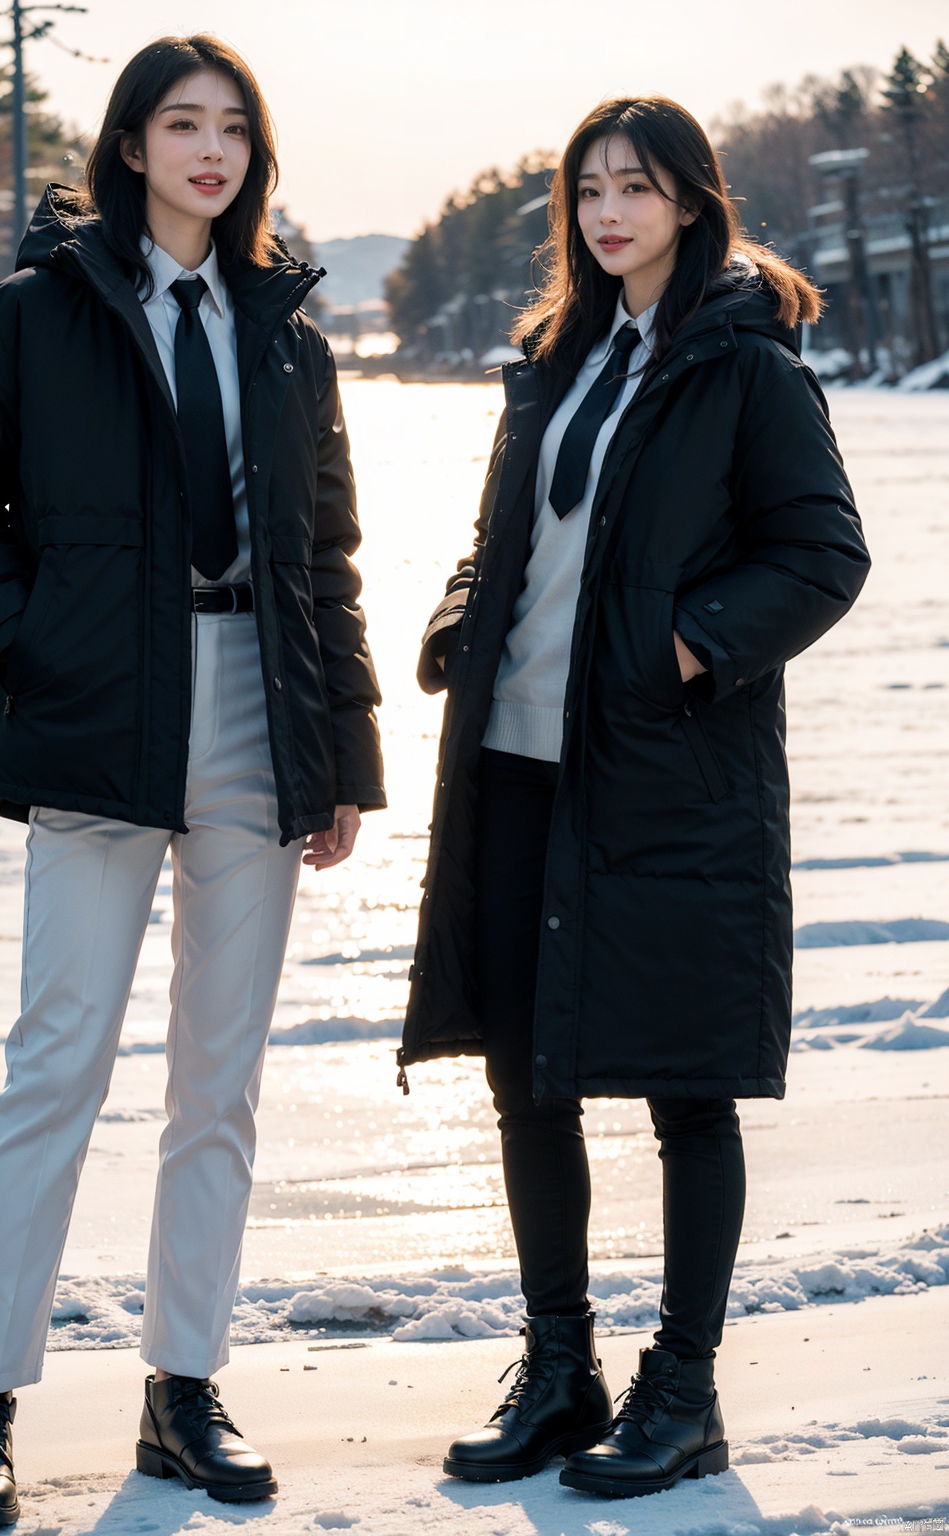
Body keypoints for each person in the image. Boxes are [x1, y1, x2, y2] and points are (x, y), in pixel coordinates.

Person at [0, 33, 384, 1528]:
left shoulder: (287, 331)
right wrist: (20, 648)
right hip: (93, 717)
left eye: (233, 129)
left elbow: (324, 556)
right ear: (130, 146)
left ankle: (183, 1391)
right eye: (180, 124)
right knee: (55, 1061)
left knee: (219, 1084)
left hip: (258, 708)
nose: (209, 150)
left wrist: (344, 759)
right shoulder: (31, 315)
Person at [398, 94, 869, 1499]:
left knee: (684, 1088)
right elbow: (512, 540)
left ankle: (685, 1392)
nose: (610, 213)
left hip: (669, 777)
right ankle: (562, 1371)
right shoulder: (555, 361)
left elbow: (823, 555)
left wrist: (688, 643)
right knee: (524, 1082)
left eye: (639, 188)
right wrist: (458, 611)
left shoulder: (744, 365)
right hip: (519, 762)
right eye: (591, 189)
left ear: (690, 201)